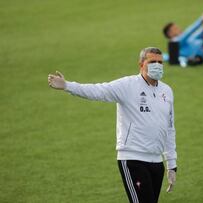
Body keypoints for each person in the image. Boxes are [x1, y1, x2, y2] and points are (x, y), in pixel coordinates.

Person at [47, 47, 177, 203]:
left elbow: (169, 128)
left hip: (157, 162)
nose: (157, 65)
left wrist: (171, 163)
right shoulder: (127, 86)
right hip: (133, 159)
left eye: (160, 62)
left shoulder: (167, 91)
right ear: (141, 64)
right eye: (152, 62)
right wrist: (67, 85)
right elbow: (98, 90)